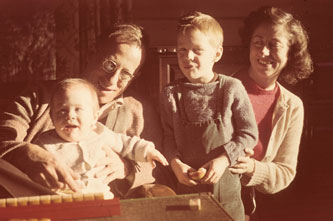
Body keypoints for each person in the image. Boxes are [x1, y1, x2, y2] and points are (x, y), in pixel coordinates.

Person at [0, 23, 165, 198]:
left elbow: (159, 168)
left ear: (135, 76)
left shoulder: (140, 111)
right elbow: (3, 138)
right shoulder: (38, 97)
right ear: (90, 54)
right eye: (110, 65)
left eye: (125, 74)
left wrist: (127, 168)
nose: (112, 80)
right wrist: (28, 155)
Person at [159, 11, 258, 221]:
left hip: (227, 200)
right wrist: (176, 165)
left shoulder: (231, 88)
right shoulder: (170, 94)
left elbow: (249, 134)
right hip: (186, 197)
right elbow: (167, 138)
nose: (188, 57)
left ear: (217, 54)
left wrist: (224, 159)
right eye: (182, 50)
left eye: (197, 50)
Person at [229, 6, 314, 220]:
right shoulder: (222, 88)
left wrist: (252, 168)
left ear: (290, 54)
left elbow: (285, 171)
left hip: (256, 210)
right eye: (258, 43)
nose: (264, 52)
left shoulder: (293, 106)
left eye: (274, 45)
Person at [34, 78, 168, 199]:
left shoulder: (100, 134)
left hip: (100, 197)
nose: (70, 116)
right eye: (62, 111)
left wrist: (147, 151)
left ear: (94, 117)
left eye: (78, 109)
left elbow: (126, 144)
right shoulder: (43, 144)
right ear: (52, 117)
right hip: (61, 200)